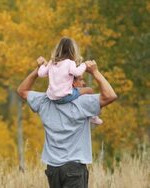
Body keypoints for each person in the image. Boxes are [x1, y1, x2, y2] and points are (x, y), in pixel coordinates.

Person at [17, 60, 117, 188]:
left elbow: (22, 91)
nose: (84, 83)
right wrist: (95, 72)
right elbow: (110, 95)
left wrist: (38, 70)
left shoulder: (44, 101)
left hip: (53, 168)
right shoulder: (82, 103)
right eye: (80, 80)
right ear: (71, 82)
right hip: (74, 167)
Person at [37, 37, 102, 125]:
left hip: (52, 97)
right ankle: (93, 117)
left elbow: (41, 74)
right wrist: (84, 65)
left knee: (78, 89)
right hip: (64, 97)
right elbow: (77, 72)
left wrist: (41, 65)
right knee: (89, 90)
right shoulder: (69, 63)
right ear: (73, 51)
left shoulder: (52, 62)